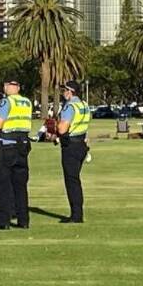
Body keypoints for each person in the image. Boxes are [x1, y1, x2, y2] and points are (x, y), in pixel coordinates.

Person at [0, 79, 32, 230]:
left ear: (8, 87)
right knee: (20, 185)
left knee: (4, 184)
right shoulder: (26, 102)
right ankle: (23, 220)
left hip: (6, 146)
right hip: (23, 146)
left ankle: (4, 221)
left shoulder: (6, 102)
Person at [55, 80, 91, 224]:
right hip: (81, 144)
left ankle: (76, 215)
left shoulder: (69, 106)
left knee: (72, 181)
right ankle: (77, 212)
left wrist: (55, 127)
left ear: (70, 92)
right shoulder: (84, 105)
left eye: (64, 90)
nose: (63, 93)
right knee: (75, 179)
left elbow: (63, 129)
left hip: (71, 146)